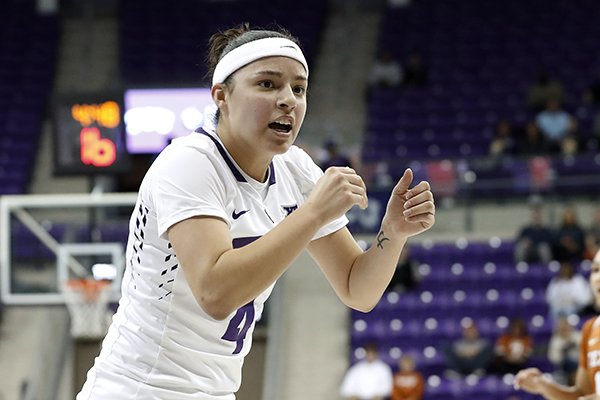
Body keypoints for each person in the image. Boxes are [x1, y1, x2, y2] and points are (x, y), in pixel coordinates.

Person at [75, 23, 436, 399]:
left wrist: (393, 233)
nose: (288, 100)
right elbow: (215, 294)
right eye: (267, 84)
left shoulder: (295, 168)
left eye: (299, 88)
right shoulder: (190, 162)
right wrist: (311, 214)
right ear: (221, 96)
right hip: (140, 389)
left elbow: (356, 289)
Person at [514, 250, 600, 399]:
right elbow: (581, 394)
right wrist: (544, 386)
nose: (598, 278)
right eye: (595, 270)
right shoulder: (590, 329)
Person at [547, 316, 581, 386]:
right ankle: (574, 384)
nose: (564, 329)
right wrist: (563, 349)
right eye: (562, 328)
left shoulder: (577, 336)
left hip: (579, 362)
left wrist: (572, 343)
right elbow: (554, 358)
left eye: (566, 326)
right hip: (564, 365)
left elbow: (584, 350)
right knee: (570, 364)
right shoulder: (556, 341)